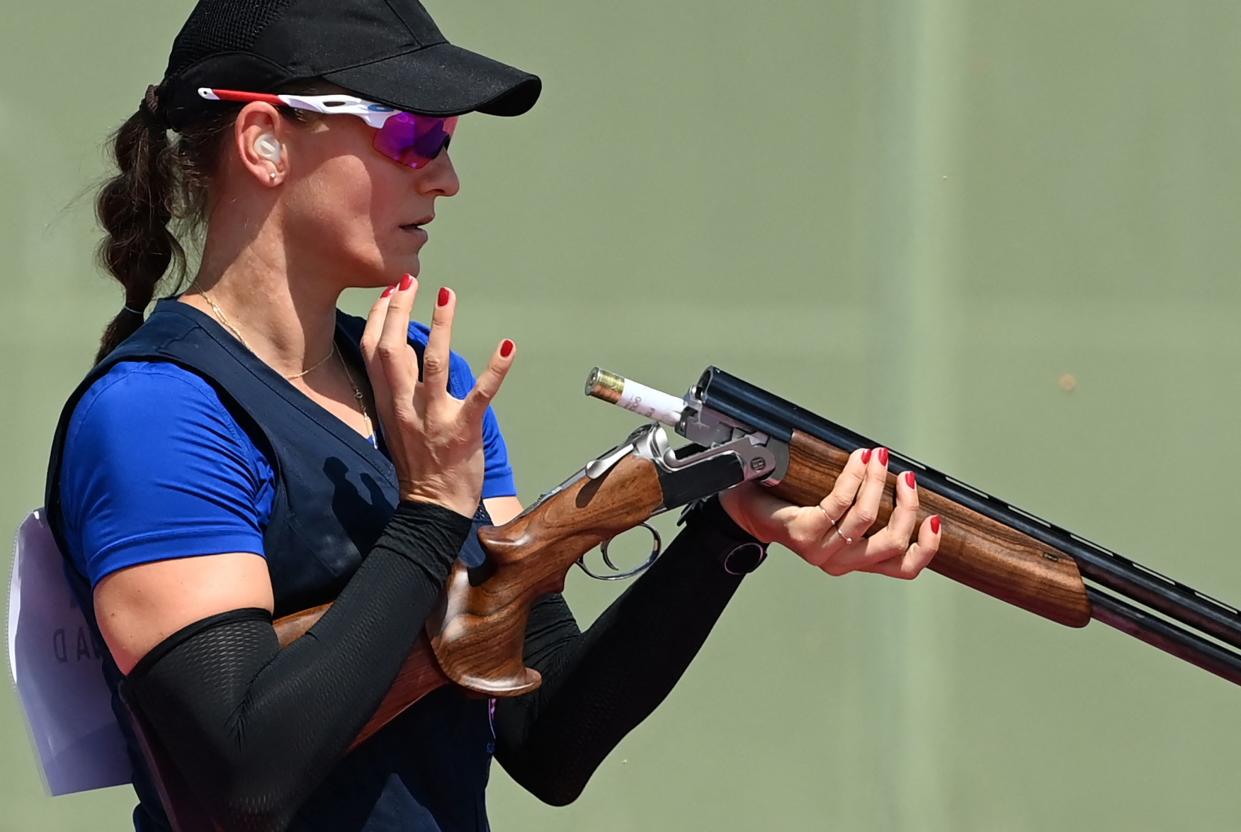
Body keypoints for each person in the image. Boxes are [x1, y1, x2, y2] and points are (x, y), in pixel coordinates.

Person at [44, 1, 944, 829]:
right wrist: (433, 510)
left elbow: (545, 740)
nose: (446, 176)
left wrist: (725, 534)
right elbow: (244, 779)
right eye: (411, 131)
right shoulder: (158, 414)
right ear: (265, 140)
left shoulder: (426, 388)